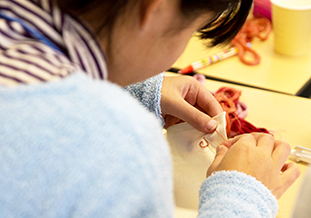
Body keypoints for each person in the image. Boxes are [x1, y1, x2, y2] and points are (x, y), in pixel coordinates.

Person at [0, 0, 300, 217]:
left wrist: (131, 91)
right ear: (156, 8)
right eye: (192, 31)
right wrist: (243, 196)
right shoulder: (115, 140)